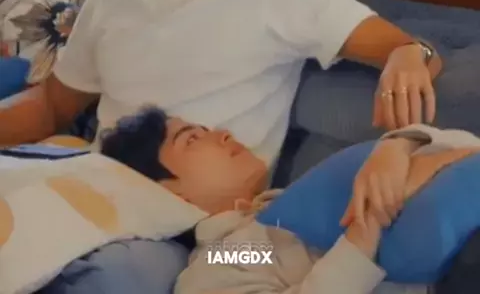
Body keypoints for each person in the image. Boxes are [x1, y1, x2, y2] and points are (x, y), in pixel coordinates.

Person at [0, 0, 442, 292]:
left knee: (117, 277)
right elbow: (51, 105)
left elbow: (410, 50)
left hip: (205, 235)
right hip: (99, 191)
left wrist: (407, 54)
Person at [96, 108, 480, 294]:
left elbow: (468, 151)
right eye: (193, 140)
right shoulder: (224, 255)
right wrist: (367, 223)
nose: (223, 134)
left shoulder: (292, 200)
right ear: (168, 192)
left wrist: (398, 147)